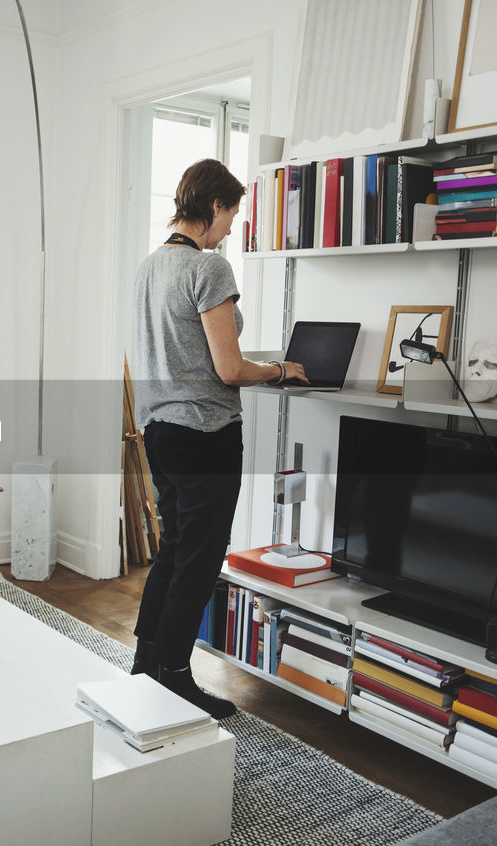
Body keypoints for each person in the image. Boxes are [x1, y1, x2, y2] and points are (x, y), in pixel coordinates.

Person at [131, 158, 307, 719]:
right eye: (232, 212)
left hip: (158, 431)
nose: (232, 225)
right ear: (214, 206)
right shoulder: (209, 269)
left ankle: (145, 665)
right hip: (205, 433)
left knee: (173, 553)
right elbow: (229, 369)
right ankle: (178, 677)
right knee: (200, 561)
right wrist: (280, 370)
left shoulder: (150, 267)